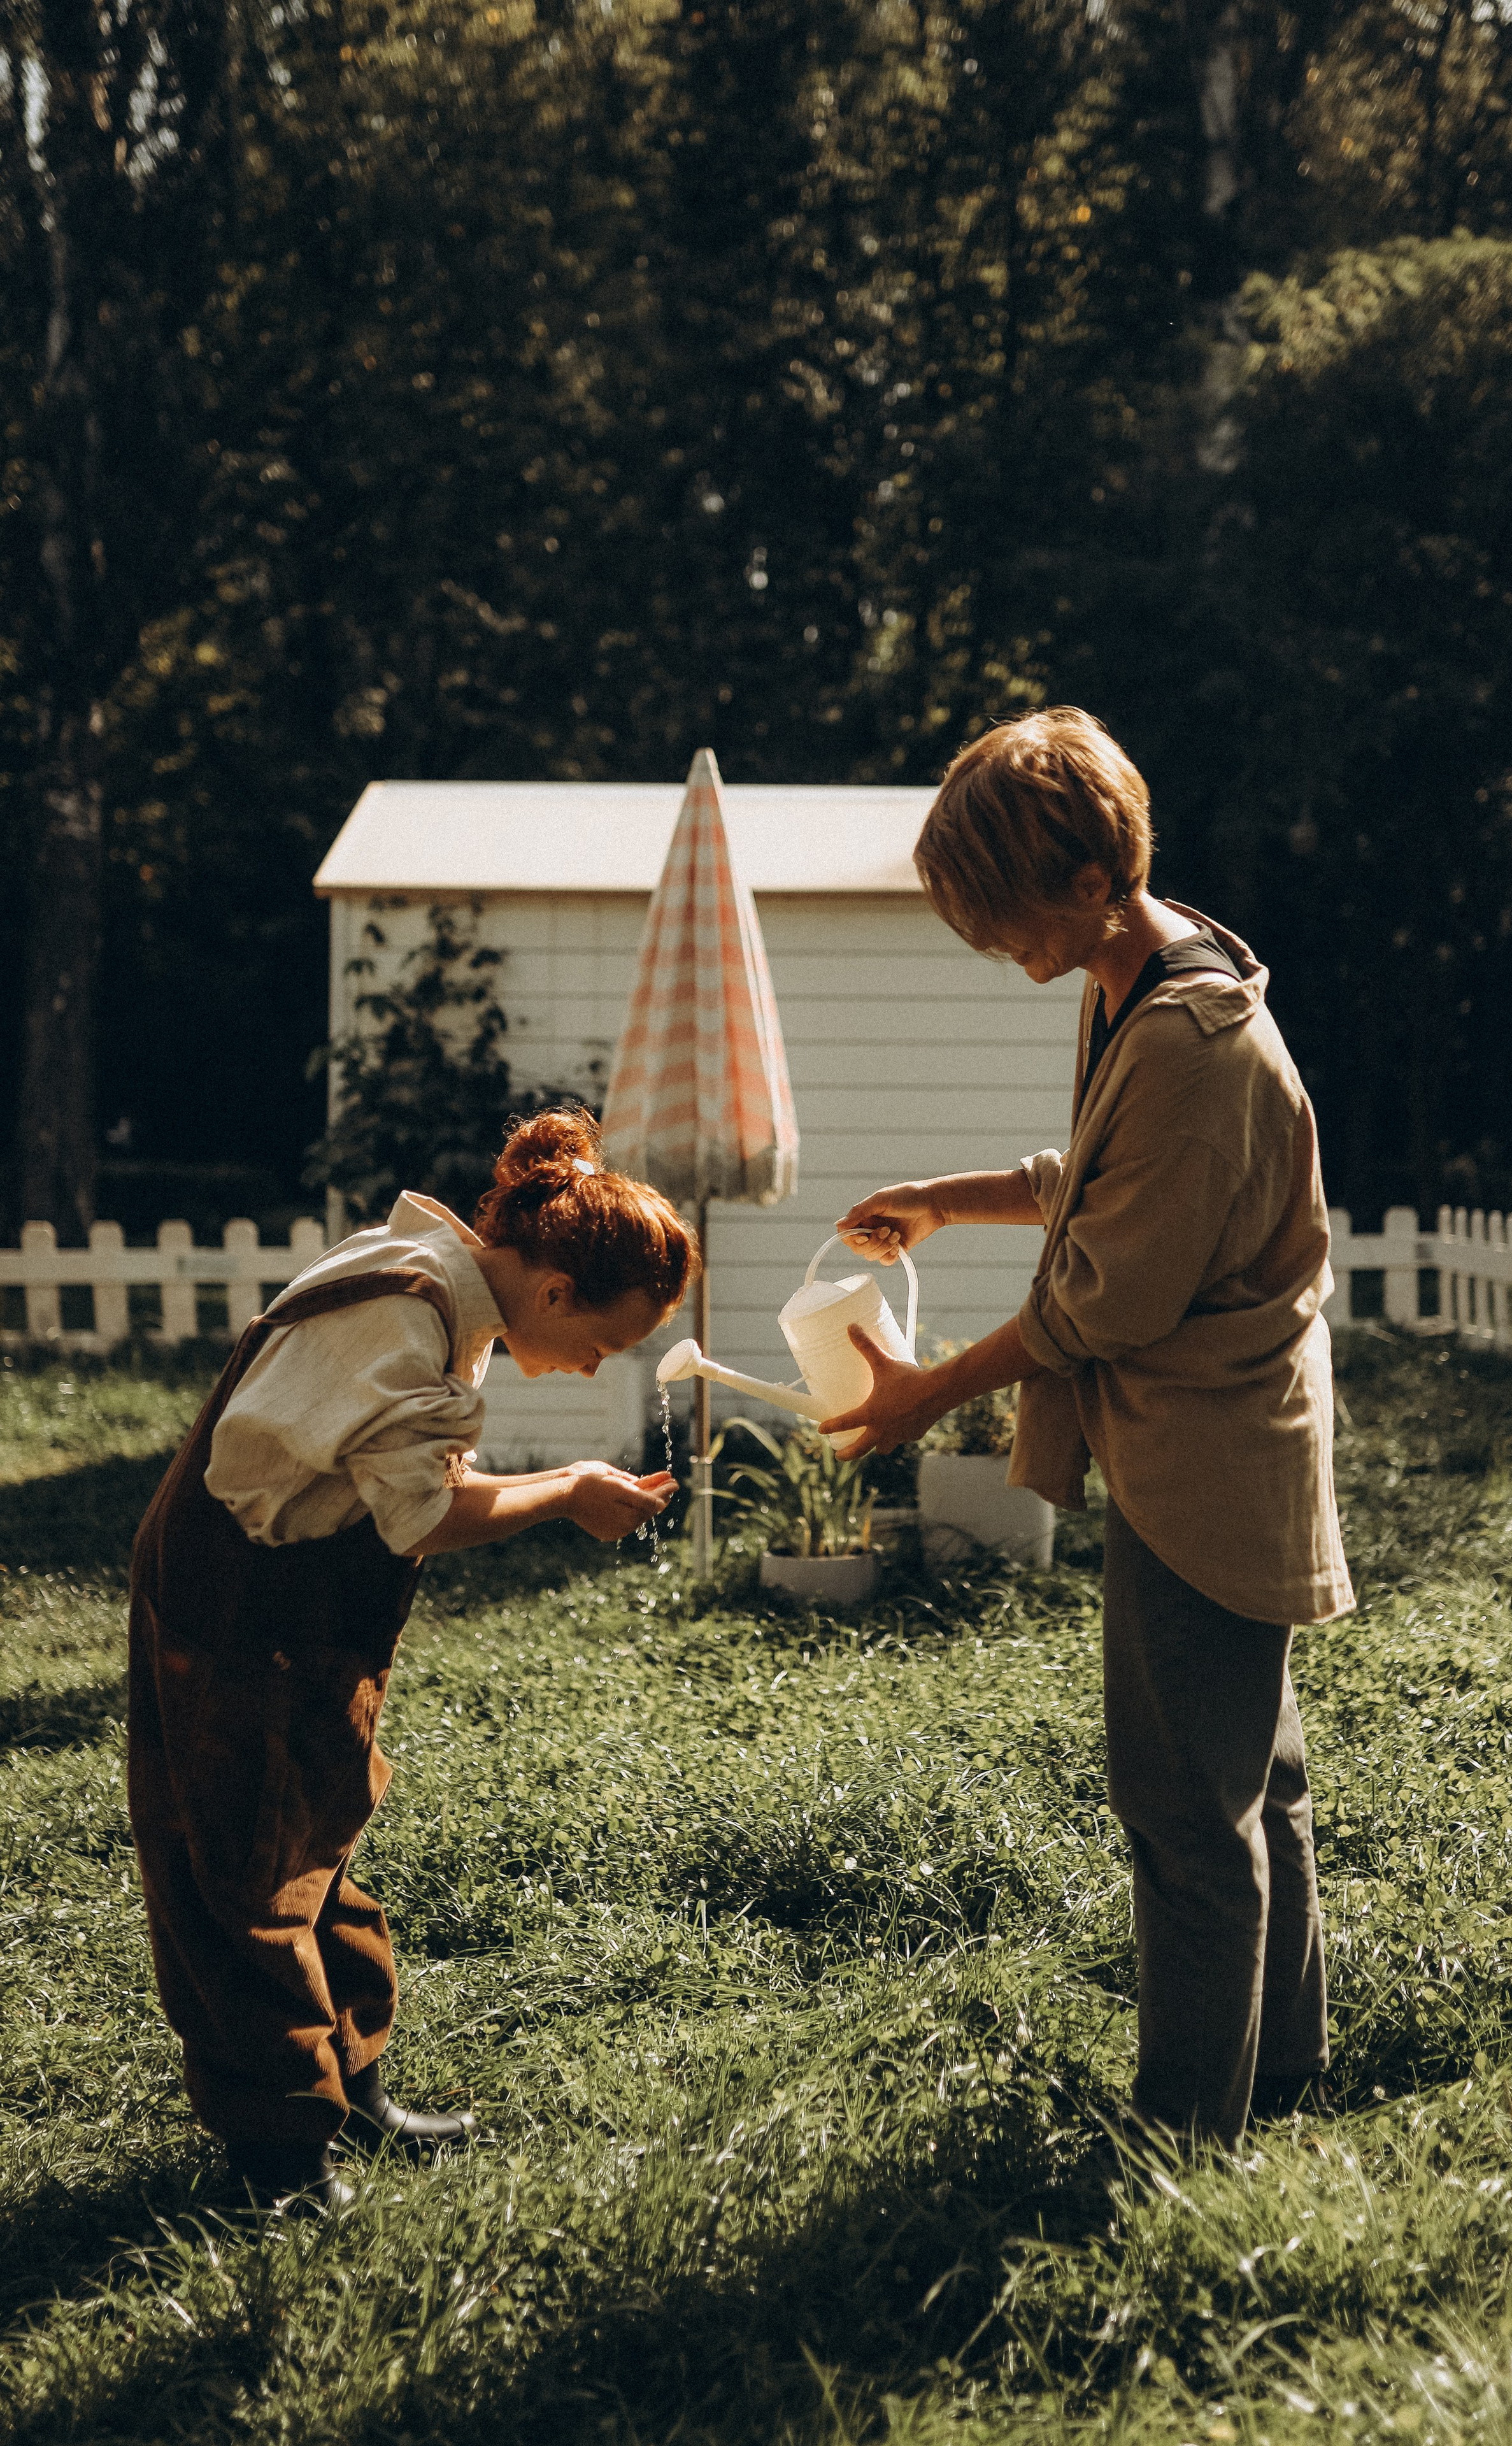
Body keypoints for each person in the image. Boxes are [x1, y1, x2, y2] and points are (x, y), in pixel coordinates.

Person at [826, 707, 1353, 2151]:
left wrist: (918, 1394)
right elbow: (1101, 1178)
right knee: (1255, 1777)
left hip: (1207, 1452)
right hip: (1209, 1433)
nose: (993, 946)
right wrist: (952, 1194)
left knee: (1183, 1806)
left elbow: (1103, 1306)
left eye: (999, 918)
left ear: (1081, 880)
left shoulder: (1189, 1040)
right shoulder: (1146, 961)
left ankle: (1187, 2132)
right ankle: (1285, 2071)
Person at [127, 1106, 693, 2210]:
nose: (591, 1370)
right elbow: (421, 1514)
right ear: (556, 1290)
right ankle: (280, 2155)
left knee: (319, 1828)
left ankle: (357, 2085)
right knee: (242, 1870)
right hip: (237, 1608)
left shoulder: (437, 1267)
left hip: (301, 1605)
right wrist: (570, 1491)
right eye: (606, 1344)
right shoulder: (410, 1317)